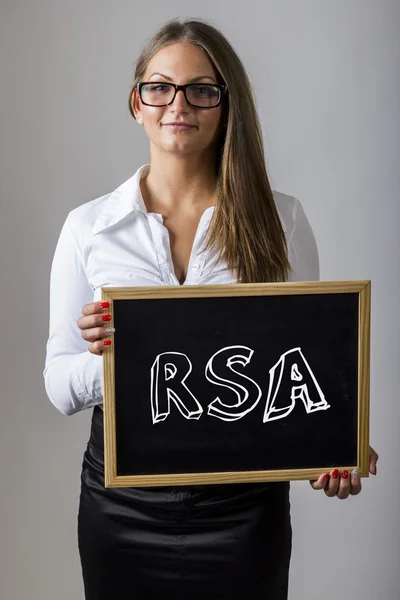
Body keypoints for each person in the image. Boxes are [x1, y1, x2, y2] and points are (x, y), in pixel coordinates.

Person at [44, 17, 378, 600]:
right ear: (136, 103)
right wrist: (112, 358)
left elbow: (304, 375)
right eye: (160, 87)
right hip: (119, 506)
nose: (178, 104)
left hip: (244, 510)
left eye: (202, 89)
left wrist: (333, 449)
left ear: (227, 105)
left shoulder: (282, 219)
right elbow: (56, 382)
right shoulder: (88, 228)